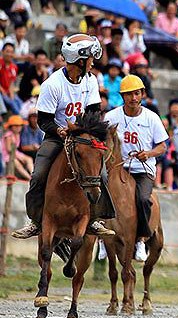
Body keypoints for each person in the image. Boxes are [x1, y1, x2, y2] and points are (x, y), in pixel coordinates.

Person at [12, 34, 116, 239]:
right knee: (39, 173)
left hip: (83, 136)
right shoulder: (52, 84)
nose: (93, 62)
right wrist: (59, 130)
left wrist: (80, 129)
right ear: (79, 60)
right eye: (90, 59)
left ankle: (94, 219)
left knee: (101, 174)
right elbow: (44, 120)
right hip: (56, 136)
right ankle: (35, 221)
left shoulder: (91, 81)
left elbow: (94, 113)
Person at [103, 74, 168, 261]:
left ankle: (141, 239)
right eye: (129, 94)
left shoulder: (152, 118)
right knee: (95, 190)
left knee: (142, 198)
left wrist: (148, 153)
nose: (133, 98)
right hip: (117, 168)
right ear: (122, 96)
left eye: (137, 93)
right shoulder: (111, 116)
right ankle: (101, 238)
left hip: (142, 170)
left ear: (142, 94)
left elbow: (163, 146)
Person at [2, 115, 33, 180]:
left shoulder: (17, 134)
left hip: (15, 153)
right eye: (16, 126)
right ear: (11, 127)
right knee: (16, 163)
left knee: (29, 159)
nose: (18, 127)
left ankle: (33, 175)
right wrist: (19, 157)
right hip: (8, 155)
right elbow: (9, 150)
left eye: (20, 125)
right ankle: (29, 178)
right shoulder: (8, 135)